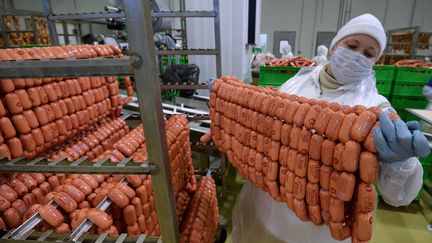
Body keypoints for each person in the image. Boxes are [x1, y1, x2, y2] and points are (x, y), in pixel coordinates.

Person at [231, 13, 430, 243]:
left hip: (321, 232)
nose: (357, 56)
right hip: (270, 213)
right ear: (335, 46)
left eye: (368, 53)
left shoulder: (377, 109)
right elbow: (265, 132)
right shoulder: (296, 84)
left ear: (376, 61)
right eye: (352, 45)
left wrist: (400, 164)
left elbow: (399, 197)